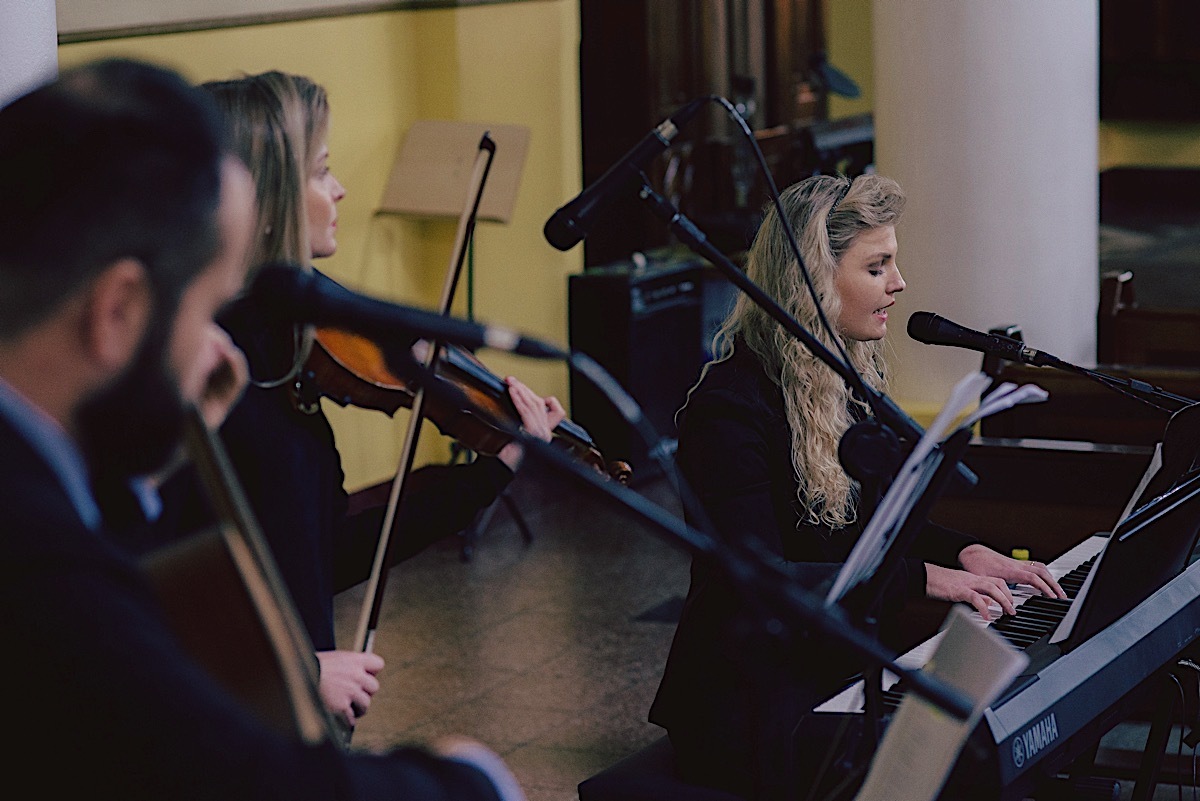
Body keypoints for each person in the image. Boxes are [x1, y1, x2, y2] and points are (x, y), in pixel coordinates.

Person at [0, 57, 527, 800]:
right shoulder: (35, 554)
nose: (218, 346)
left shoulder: (57, 487)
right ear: (118, 311)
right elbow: (229, 768)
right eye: (204, 306)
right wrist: (473, 778)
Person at [149, 70, 564, 729]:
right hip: (238, 728)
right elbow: (151, 596)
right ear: (259, 198)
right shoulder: (208, 372)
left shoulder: (286, 364)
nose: (338, 189)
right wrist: (302, 668)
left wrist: (492, 471)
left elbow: (324, 552)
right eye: (321, 171)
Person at [648, 174, 1066, 799]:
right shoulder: (727, 411)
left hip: (833, 664)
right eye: (877, 267)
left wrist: (964, 551)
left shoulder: (838, 381)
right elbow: (756, 578)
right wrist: (926, 578)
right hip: (747, 699)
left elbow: (870, 523)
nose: (898, 285)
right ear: (811, 282)